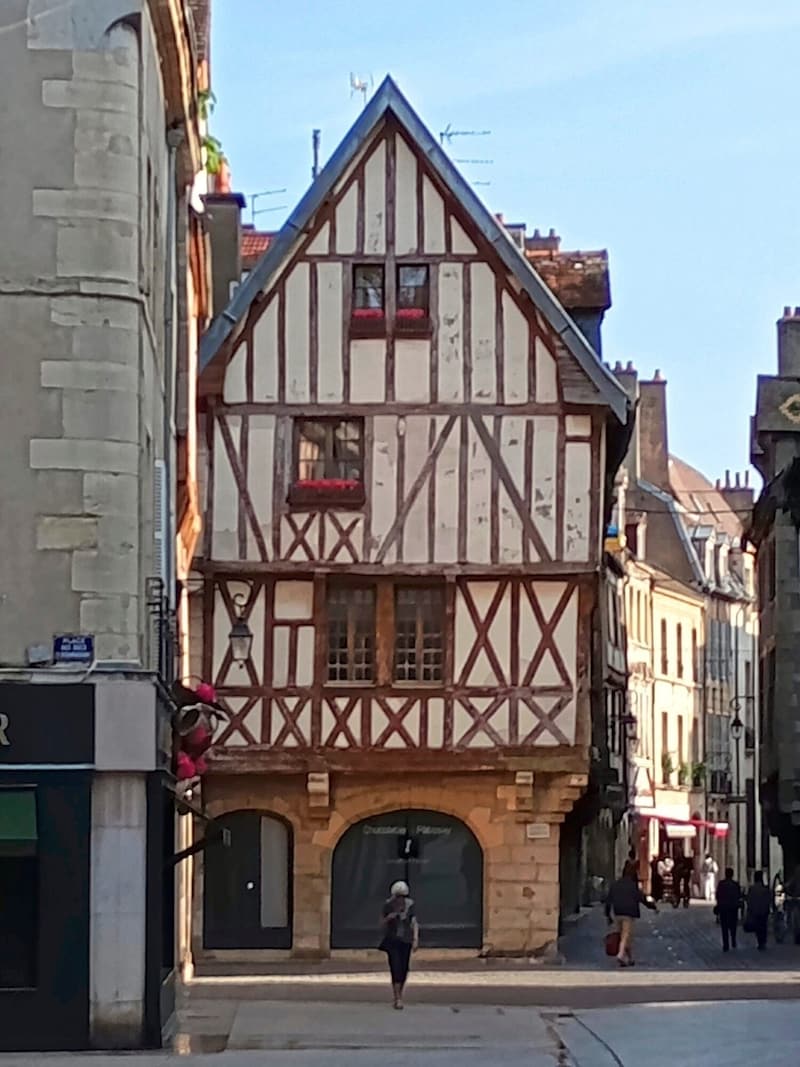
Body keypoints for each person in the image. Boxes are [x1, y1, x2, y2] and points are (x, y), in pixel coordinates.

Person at [605, 860, 658, 967]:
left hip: (618, 912)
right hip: (629, 913)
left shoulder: (616, 884)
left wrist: (607, 915)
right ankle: (620, 954)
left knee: (623, 935)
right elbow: (642, 898)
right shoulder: (633, 886)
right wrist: (653, 907)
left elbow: (608, 899)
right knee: (626, 936)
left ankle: (629, 958)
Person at [380, 880, 419, 1009]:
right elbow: (382, 922)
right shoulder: (388, 905)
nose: (400, 900)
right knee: (395, 966)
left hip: (406, 940)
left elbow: (414, 922)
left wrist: (415, 939)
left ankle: (400, 993)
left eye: (402, 896)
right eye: (398, 896)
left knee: (404, 968)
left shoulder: (410, 906)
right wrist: (390, 917)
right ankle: (397, 997)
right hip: (393, 940)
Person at [715, 867, 741, 951]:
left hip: (724, 908)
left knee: (724, 927)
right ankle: (733, 940)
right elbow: (738, 895)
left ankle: (726, 944)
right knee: (733, 926)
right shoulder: (735, 884)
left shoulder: (721, 884)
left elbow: (718, 895)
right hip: (733, 908)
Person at [745, 870, 772, 951]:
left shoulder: (752, 889)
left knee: (758, 927)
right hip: (763, 911)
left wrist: (750, 909)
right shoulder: (765, 889)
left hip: (755, 911)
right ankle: (763, 942)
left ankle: (760, 942)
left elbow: (749, 899)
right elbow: (769, 899)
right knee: (763, 926)